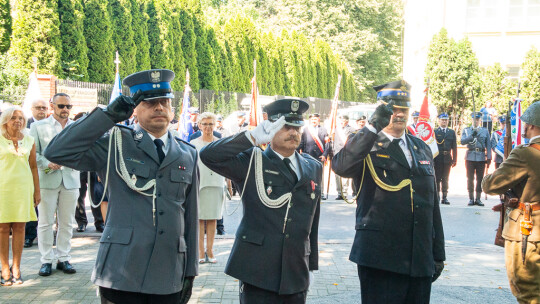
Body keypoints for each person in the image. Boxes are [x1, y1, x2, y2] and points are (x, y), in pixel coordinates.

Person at [44, 69, 198, 304]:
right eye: (150, 102)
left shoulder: (187, 153)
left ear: (172, 109)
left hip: (169, 271)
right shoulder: (115, 143)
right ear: (134, 110)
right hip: (122, 269)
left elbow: (190, 215)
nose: (159, 107)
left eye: (164, 102)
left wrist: (191, 270)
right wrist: (106, 116)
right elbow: (57, 152)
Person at [332, 80, 445, 304]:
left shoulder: (420, 146)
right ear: (381, 111)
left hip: (418, 256)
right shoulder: (365, 143)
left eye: (403, 109)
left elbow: (432, 203)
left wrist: (438, 253)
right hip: (380, 257)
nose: (399, 114)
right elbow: (341, 167)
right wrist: (372, 127)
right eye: (393, 109)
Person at [200, 98, 322, 304]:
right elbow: (209, 155)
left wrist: (310, 261)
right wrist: (252, 137)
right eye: (285, 127)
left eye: (297, 127)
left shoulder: (313, 167)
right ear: (270, 128)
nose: (293, 132)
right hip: (257, 269)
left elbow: (313, 220)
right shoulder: (251, 161)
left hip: (296, 270)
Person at [482, 101, 540, 304]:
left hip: (528, 233)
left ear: (532, 125)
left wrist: (493, 173)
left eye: (525, 123)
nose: (523, 126)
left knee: (528, 293)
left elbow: (491, 185)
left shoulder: (526, 153)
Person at [30, 93, 80, 276]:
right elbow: (33, 154)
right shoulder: (37, 126)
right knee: (45, 222)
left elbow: (82, 150)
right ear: (52, 106)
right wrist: (46, 164)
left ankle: (64, 258)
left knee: (67, 222)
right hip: (47, 179)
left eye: (68, 106)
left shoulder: (77, 127)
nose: (65, 110)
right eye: (61, 106)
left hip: (71, 179)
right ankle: (46, 260)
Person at [0, 106, 40, 286]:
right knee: (2, 229)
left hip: (23, 189)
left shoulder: (29, 139)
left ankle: (16, 267)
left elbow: (33, 167)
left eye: (21, 118)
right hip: (3, 189)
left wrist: (36, 191)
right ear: (5, 120)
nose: (18, 121)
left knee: (20, 227)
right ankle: (4, 268)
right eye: (13, 117)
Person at [191, 112, 225, 264]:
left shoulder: (220, 143)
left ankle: (210, 251)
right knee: (199, 218)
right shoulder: (193, 144)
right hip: (200, 183)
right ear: (199, 126)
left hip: (216, 183)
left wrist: (229, 184)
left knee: (212, 218)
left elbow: (226, 164)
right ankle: (199, 252)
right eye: (205, 124)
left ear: (215, 125)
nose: (208, 127)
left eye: (211, 124)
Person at [72, 112, 105, 233]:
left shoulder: (96, 133)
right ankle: (81, 222)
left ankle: (99, 222)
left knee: (96, 195)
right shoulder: (73, 134)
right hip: (78, 168)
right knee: (78, 196)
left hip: (93, 168)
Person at [24, 98, 49, 248]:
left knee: (47, 209)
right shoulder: (24, 124)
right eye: (38, 107)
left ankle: (46, 237)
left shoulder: (51, 125)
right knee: (32, 205)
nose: (41, 110)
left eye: (44, 108)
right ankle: (29, 236)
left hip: (48, 172)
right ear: (32, 109)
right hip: (30, 171)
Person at [461, 111, 491, 206]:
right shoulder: (466, 130)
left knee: (480, 178)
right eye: (474, 120)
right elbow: (462, 141)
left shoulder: (484, 131)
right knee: (470, 178)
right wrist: (471, 136)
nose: (476, 121)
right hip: (470, 157)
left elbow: (489, 145)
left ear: (480, 120)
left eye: (477, 120)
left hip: (481, 157)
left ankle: (478, 198)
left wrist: (489, 157)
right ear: (471, 120)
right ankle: (471, 198)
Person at [434, 113, 457, 205]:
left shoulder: (451, 132)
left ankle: (445, 197)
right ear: (439, 121)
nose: (444, 121)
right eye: (442, 120)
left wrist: (454, 159)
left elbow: (454, 147)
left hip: (447, 158)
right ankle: (437, 196)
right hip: (438, 158)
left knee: (446, 178)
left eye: (446, 120)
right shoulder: (435, 132)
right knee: (437, 178)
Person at [332, 115, 356, 200]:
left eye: (343, 121)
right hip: (337, 153)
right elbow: (333, 142)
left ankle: (344, 192)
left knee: (344, 173)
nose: (342, 122)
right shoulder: (336, 129)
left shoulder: (352, 130)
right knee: (337, 174)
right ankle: (339, 192)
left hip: (346, 153)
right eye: (341, 121)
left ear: (347, 121)